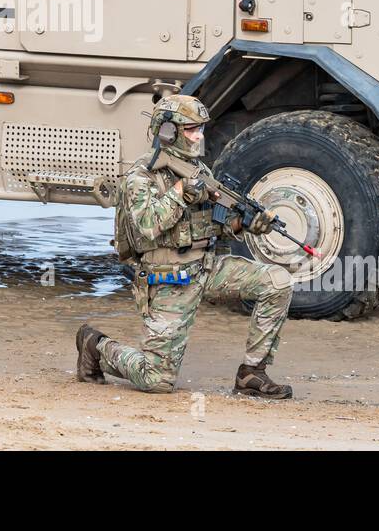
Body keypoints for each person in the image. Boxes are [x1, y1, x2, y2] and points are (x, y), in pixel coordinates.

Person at [76, 95, 296, 398]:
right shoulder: (142, 176)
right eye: (191, 129)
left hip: (206, 268)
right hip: (168, 277)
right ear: (168, 132)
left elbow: (210, 226)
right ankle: (95, 346)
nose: (199, 136)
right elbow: (148, 225)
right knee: (156, 380)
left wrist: (244, 224)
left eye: (200, 129)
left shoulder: (199, 171)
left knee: (278, 281)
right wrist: (180, 192)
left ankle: (252, 373)